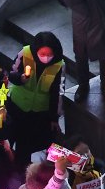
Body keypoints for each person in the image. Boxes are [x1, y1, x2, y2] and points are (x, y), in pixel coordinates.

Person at [7, 32, 65, 165]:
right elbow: (11, 73)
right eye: (42, 53)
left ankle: (23, 173)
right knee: (9, 138)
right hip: (17, 106)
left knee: (25, 145)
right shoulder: (25, 53)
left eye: (49, 54)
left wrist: (54, 117)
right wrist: (20, 78)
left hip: (37, 112)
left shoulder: (59, 65)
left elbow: (58, 92)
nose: (46, 57)